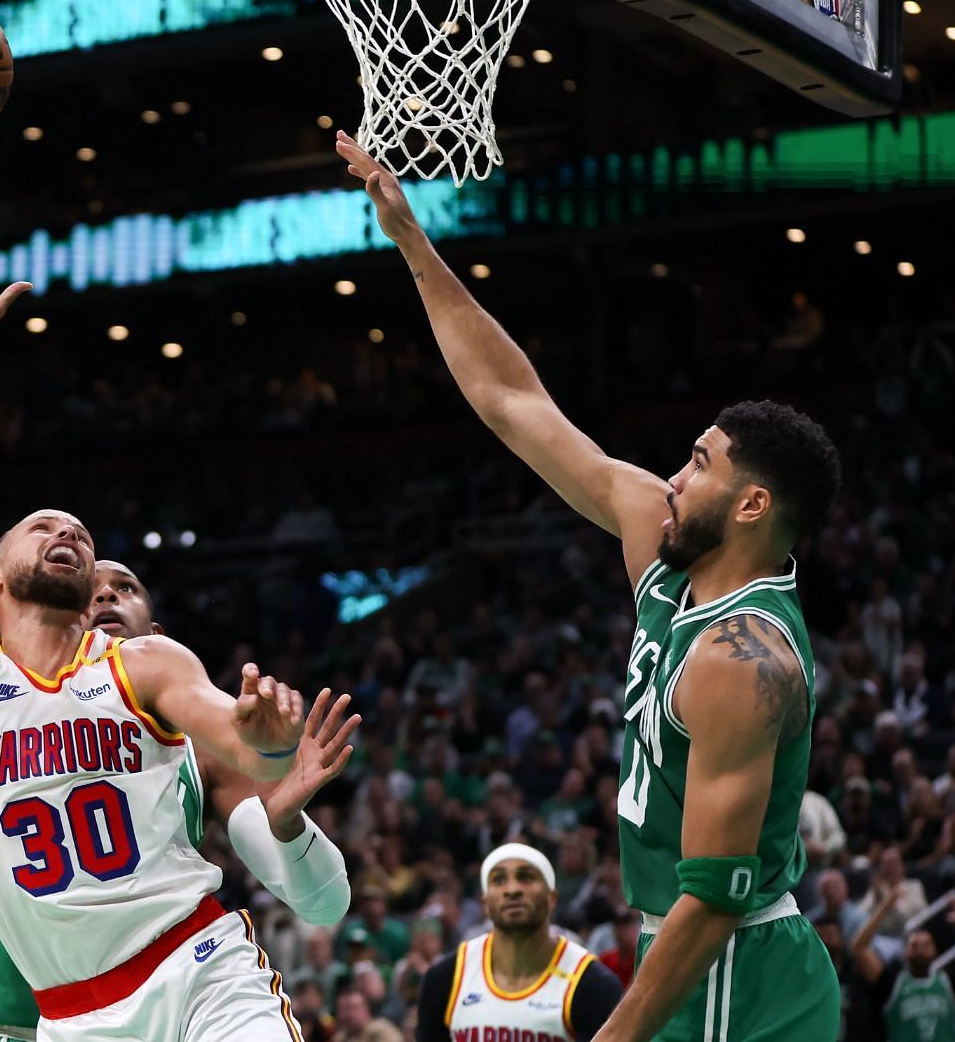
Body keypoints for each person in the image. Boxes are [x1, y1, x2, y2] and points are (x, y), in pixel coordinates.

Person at [336, 131, 841, 1042]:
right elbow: (515, 402)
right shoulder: (664, 558)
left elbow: (716, 899)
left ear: (754, 504)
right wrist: (412, 241)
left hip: (740, 975)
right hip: (686, 954)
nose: (676, 478)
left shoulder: (745, 658)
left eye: (699, 463)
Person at [0, 215, 319, 1042]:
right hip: (68, 1014)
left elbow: (247, 747)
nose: (66, 533)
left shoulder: (147, 662)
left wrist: (268, 740)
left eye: (82, 534)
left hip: (197, 967)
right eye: (40, 525)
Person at [414, 845, 622, 1041]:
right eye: (498, 880)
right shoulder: (445, 977)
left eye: (526, 877)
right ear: (485, 903)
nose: (512, 889)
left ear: (551, 898)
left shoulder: (592, 983)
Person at [848, 887, 955, 1042]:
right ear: (905, 952)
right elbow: (858, 948)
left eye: (926, 945)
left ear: (936, 951)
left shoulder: (948, 981)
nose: (921, 949)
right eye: (915, 945)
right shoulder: (891, 983)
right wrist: (885, 908)